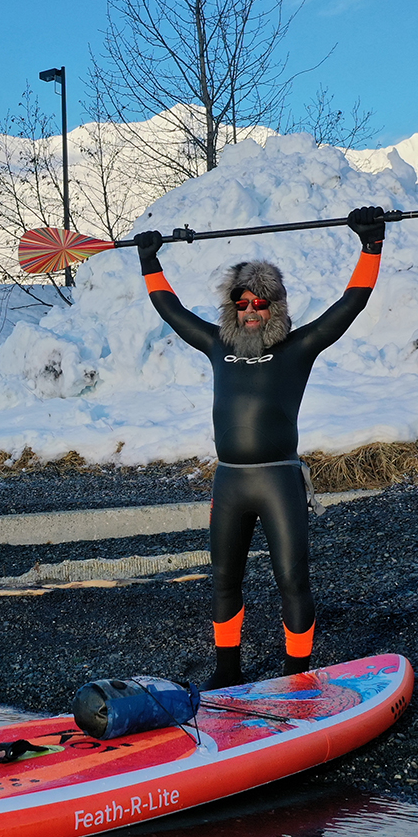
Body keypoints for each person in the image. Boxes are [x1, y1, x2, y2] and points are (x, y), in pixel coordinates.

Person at [133, 207, 386, 687]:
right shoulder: (216, 345)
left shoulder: (298, 348)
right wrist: (150, 262)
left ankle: (297, 677)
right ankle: (227, 671)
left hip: (277, 480)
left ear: (276, 309)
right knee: (225, 581)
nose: (251, 311)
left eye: (261, 304)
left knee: (292, 580)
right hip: (230, 481)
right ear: (233, 308)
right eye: (243, 303)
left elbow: (352, 302)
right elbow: (172, 311)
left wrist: (371, 246)